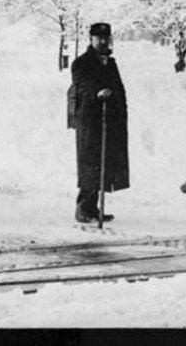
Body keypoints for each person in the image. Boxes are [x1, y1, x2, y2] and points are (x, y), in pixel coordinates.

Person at [70, 22, 129, 223]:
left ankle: (93, 208)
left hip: (109, 120)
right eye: (98, 38)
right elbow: (83, 85)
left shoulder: (111, 63)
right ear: (91, 39)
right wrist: (97, 92)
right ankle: (83, 208)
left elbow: (119, 88)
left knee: (104, 164)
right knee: (90, 164)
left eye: (106, 38)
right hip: (90, 121)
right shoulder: (81, 63)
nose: (103, 42)